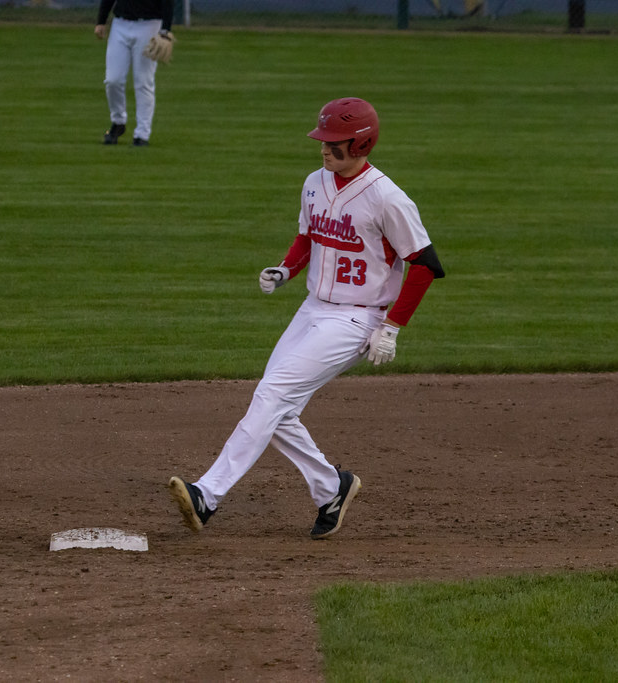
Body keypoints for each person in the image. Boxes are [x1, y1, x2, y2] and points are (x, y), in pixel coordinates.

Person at [169, 97, 445, 539]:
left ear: (362, 143)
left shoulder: (387, 198)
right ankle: (331, 487)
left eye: (334, 143)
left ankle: (208, 494)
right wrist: (285, 269)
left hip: (359, 319)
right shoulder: (314, 183)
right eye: (323, 140)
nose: (323, 149)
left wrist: (392, 327)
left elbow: (426, 264)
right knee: (276, 407)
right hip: (312, 309)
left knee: (272, 394)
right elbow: (307, 239)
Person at [94, 0, 173, 146]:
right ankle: (118, 122)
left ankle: (142, 134)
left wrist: (165, 30)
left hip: (149, 25)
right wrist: (101, 21)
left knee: (143, 81)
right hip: (120, 24)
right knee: (113, 80)